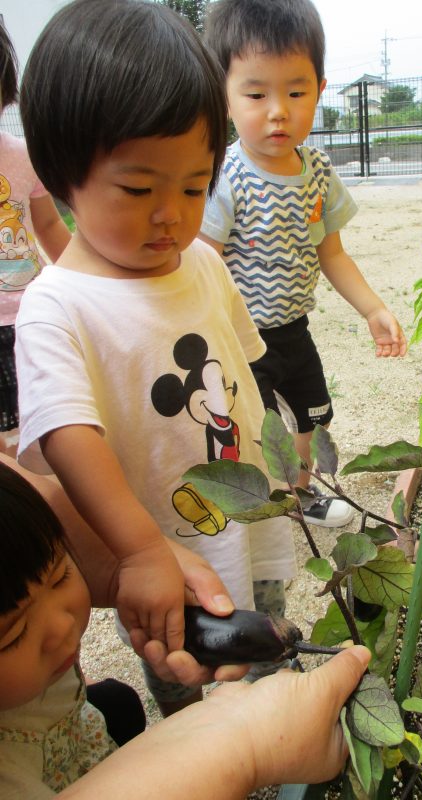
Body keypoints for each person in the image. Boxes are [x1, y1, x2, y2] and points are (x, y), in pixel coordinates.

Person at [15, 0, 296, 716]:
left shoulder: (202, 262)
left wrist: (283, 454)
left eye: (195, 186)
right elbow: (64, 435)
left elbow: (243, 377)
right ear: (62, 173)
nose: (172, 212)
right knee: (186, 684)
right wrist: (140, 551)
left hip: (249, 521)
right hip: (167, 560)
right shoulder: (58, 306)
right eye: (139, 188)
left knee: (265, 649)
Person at [0, 456, 371, 799]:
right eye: (12, 634)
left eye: (60, 575)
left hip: (74, 729)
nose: (63, 625)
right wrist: (245, 744)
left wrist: (128, 568)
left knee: (120, 706)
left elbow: (35, 496)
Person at [200, 0, 408, 528]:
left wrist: (373, 309)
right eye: (256, 94)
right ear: (224, 96)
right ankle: (261, 498)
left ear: (319, 88)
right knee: (259, 427)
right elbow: (204, 264)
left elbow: (330, 252)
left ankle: (299, 494)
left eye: (296, 92)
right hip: (242, 338)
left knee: (314, 416)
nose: (278, 111)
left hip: (293, 329)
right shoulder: (226, 176)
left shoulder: (317, 170)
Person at [0, 23, 71, 455]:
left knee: (34, 425)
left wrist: (89, 279)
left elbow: (48, 226)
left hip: (27, 313)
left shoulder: (22, 156)